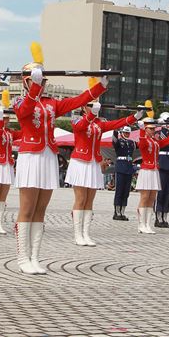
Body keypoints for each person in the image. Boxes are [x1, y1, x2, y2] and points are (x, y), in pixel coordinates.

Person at [13, 64, 106, 274]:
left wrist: (99, 86)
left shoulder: (51, 103)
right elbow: (25, 111)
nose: (42, 85)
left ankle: (35, 257)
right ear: (26, 82)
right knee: (27, 209)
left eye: (43, 81)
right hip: (30, 157)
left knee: (40, 209)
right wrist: (34, 87)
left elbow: (77, 101)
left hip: (48, 156)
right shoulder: (20, 101)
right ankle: (22, 258)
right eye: (37, 81)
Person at [65, 103, 140, 246]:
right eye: (90, 106)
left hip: (94, 162)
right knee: (80, 199)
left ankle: (86, 233)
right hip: (80, 161)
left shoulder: (99, 123)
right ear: (83, 108)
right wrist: (91, 114)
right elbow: (80, 127)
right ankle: (77, 234)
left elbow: (116, 123)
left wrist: (134, 117)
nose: (95, 109)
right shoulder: (76, 120)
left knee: (89, 200)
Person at [136, 118, 169, 234]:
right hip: (146, 169)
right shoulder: (144, 139)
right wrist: (140, 130)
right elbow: (142, 143)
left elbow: (168, 141)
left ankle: (147, 224)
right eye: (150, 128)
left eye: (154, 128)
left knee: (152, 198)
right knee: (144, 197)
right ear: (146, 129)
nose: (153, 130)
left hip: (154, 170)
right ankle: (141, 224)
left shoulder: (155, 141)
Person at [0, 107, 21, 234]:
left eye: (7, 118)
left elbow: (24, 132)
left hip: (7, 165)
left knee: (3, 197)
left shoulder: (9, 132)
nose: (6, 120)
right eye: (3, 118)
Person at [154, 112, 169, 228]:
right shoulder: (160, 133)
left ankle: (165, 216)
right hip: (163, 163)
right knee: (161, 191)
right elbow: (166, 141)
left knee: (168, 192)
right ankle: (158, 216)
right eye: (168, 122)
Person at [112, 124, 138, 221]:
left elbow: (141, 144)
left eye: (128, 133)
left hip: (128, 167)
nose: (127, 134)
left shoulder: (131, 142)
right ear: (122, 133)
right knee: (119, 190)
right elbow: (114, 139)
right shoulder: (118, 142)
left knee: (126, 191)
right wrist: (115, 129)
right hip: (121, 166)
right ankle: (117, 211)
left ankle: (123, 211)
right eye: (125, 132)